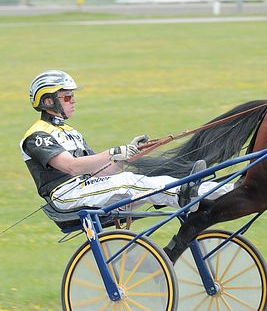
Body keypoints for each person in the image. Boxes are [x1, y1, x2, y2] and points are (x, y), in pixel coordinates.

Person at [21, 70, 232, 214]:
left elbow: (100, 172)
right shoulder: (37, 135)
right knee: (129, 182)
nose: (73, 100)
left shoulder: (70, 132)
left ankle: (227, 190)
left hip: (87, 187)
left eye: (72, 96)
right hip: (66, 195)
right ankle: (186, 195)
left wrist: (127, 156)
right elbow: (72, 166)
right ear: (48, 101)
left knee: (142, 178)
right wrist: (114, 151)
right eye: (67, 97)